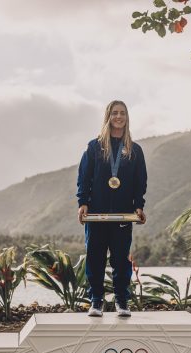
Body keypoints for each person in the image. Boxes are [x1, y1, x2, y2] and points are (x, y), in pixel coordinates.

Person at [77, 100, 147, 317]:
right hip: (97, 214)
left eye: (123, 113)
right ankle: (96, 301)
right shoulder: (94, 146)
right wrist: (83, 203)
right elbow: (84, 177)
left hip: (123, 215)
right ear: (108, 116)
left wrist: (139, 207)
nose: (119, 117)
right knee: (95, 258)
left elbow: (140, 181)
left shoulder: (134, 150)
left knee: (120, 259)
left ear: (127, 117)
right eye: (115, 113)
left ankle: (121, 301)